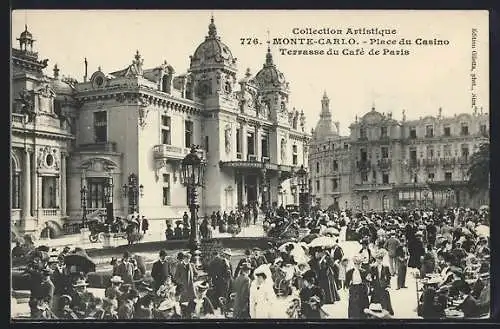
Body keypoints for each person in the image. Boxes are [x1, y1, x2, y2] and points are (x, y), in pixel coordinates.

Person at [369, 250, 394, 315]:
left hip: (383, 285)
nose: (379, 260)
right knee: (375, 301)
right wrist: (371, 286)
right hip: (376, 285)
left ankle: (385, 312)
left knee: (384, 300)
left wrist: (388, 285)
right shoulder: (373, 267)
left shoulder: (386, 267)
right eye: (377, 259)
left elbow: (389, 277)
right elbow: (371, 278)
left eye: (380, 259)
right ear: (376, 259)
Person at [345, 255, 370, 319]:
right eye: (356, 264)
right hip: (353, 289)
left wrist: (367, 280)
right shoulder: (350, 272)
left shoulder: (363, 271)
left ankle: (363, 317)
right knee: (354, 304)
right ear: (354, 264)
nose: (358, 265)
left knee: (363, 303)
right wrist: (348, 288)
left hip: (361, 288)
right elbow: (346, 283)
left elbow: (367, 281)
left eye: (359, 264)